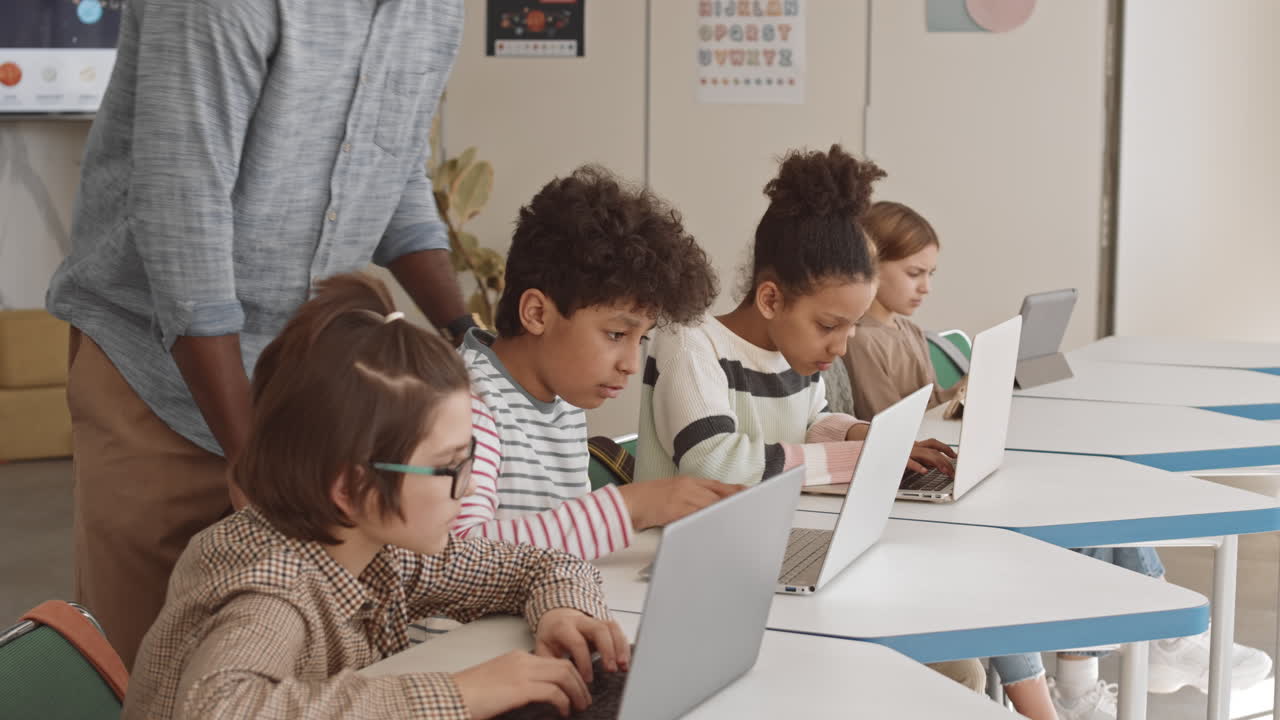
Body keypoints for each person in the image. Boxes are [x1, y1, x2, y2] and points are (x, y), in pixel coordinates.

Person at [46, 0, 473, 668]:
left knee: (293, 657)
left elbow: (395, 173)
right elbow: (181, 211)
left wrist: (467, 336)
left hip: (306, 386)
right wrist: (256, 459)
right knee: (147, 664)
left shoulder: (434, 10)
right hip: (158, 376)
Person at [123, 273, 627, 720]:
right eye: (450, 466)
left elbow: (543, 565)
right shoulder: (273, 589)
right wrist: (460, 693)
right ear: (351, 487)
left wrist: (564, 613)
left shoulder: (377, 545)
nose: (472, 485)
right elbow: (218, 711)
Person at [844, 200, 1273, 720]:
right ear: (871, 264)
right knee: (1036, 542)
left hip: (945, 472)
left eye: (931, 274)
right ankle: (1114, 669)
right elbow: (899, 426)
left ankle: (1103, 672)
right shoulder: (863, 341)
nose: (926, 287)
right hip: (912, 499)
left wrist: (969, 393)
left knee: (1096, 502)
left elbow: (932, 409)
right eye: (914, 273)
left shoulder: (907, 331)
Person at [635, 144, 981, 693]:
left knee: (961, 666)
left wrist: (868, 436)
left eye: (852, 326)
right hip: (685, 575)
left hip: (765, 556)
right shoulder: (690, 342)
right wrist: (853, 458)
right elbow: (714, 462)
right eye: (829, 325)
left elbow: (811, 419)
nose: (841, 346)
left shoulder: (793, 352)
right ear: (771, 299)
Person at [452, 165, 740, 558]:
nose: (631, 365)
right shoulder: (464, 405)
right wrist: (629, 508)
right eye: (617, 335)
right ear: (537, 313)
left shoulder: (563, 400)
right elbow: (460, 554)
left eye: (641, 339)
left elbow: (562, 547)